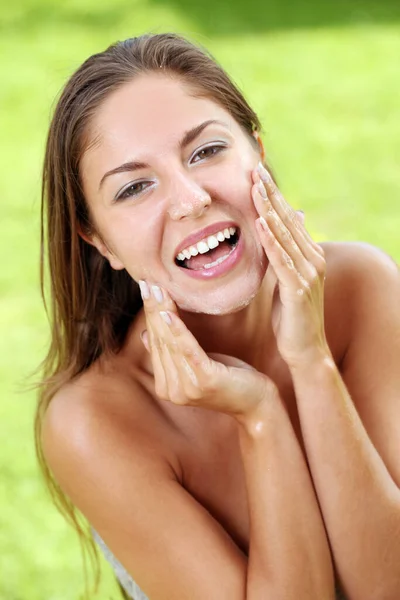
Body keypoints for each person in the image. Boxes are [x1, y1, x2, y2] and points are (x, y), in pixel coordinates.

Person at [35, 33, 400, 600]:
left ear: (257, 150)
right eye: (134, 187)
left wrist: (311, 360)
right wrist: (259, 415)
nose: (190, 199)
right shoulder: (94, 419)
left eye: (206, 151)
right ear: (98, 239)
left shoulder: (365, 288)